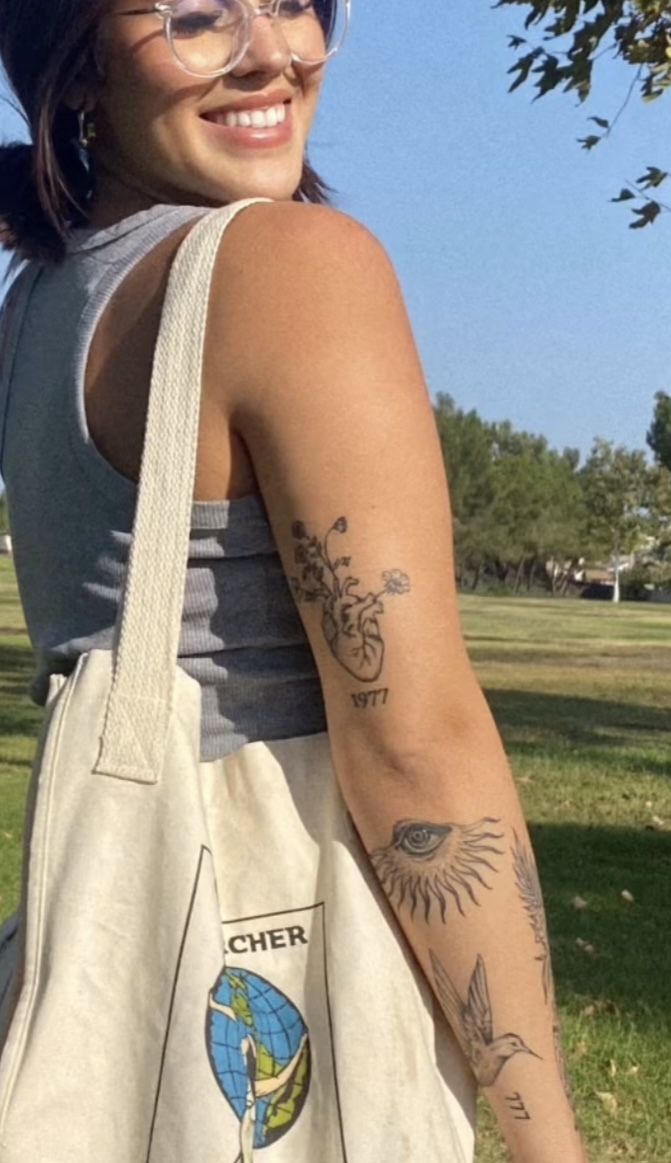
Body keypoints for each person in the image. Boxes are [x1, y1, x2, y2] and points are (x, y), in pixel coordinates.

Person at [0, 2, 588, 1160]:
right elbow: (415, 748)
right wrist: (548, 1141)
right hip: (297, 975)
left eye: (294, 3)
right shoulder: (289, 264)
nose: (274, 52)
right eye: (197, 17)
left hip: (118, 970)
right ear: (74, 69)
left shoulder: (37, 308)